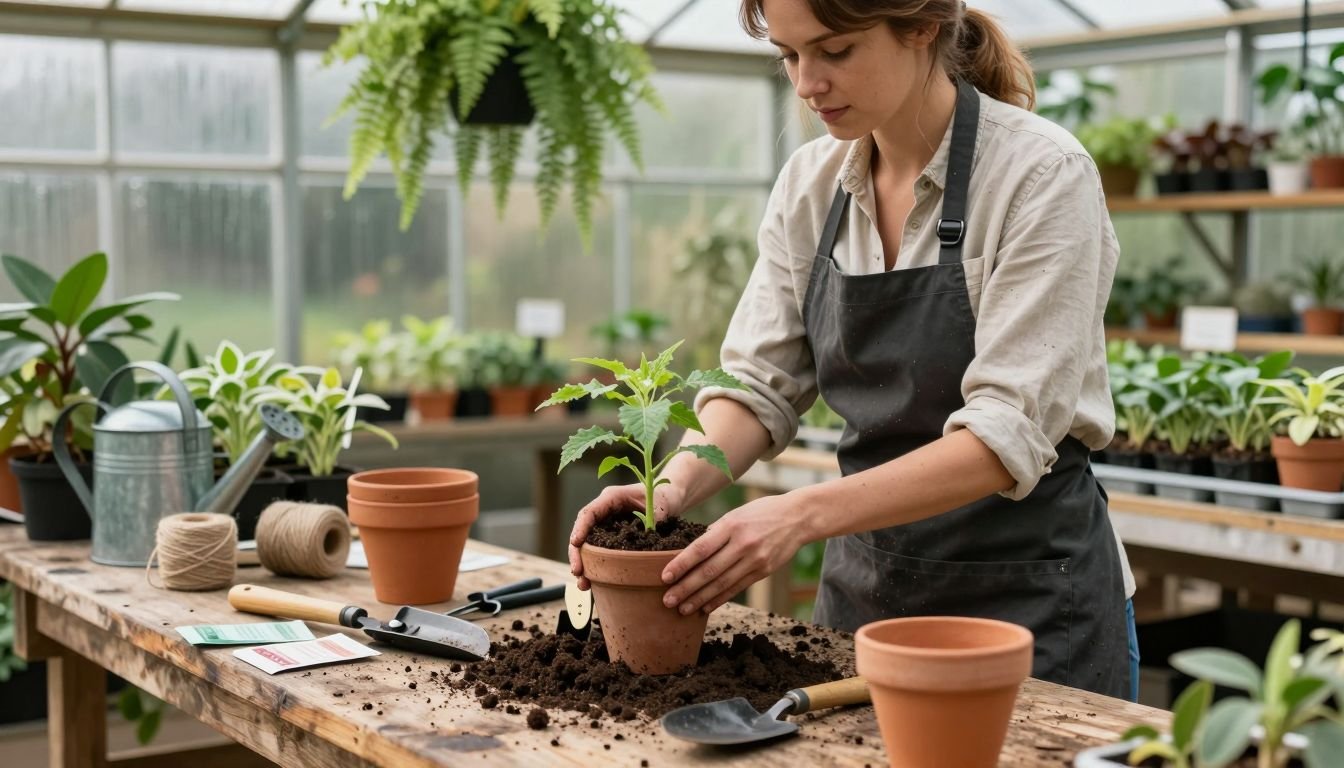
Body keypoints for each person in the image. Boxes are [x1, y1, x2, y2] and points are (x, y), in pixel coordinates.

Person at [568, 0, 1139, 701]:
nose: (807, 83)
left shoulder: (1040, 175)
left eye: (834, 51)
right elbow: (758, 384)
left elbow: (1005, 433)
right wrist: (676, 486)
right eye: (788, 54)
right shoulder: (811, 185)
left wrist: (798, 515)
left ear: (923, 26)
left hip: (1029, 610)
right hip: (866, 608)